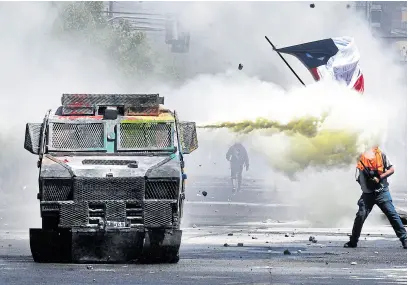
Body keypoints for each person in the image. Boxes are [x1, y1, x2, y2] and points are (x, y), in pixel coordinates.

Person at [344, 145, 407, 249]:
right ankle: (353, 242)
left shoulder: (381, 154)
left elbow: (391, 169)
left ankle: (405, 240)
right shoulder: (359, 155)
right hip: (367, 193)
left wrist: (379, 177)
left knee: (392, 215)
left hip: (382, 192)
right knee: (360, 215)